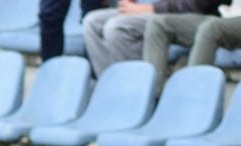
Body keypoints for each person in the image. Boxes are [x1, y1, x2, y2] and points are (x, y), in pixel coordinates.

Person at [85, 0, 222, 72]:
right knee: (92, 21)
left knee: (117, 26)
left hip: (195, 16)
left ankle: (140, 92)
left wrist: (152, 8)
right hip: (165, 11)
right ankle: (111, 87)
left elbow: (194, 5)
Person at [142, 3, 241, 85]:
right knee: (158, 24)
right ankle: (152, 97)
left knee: (211, 29)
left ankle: (190, 95)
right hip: (228, 15)